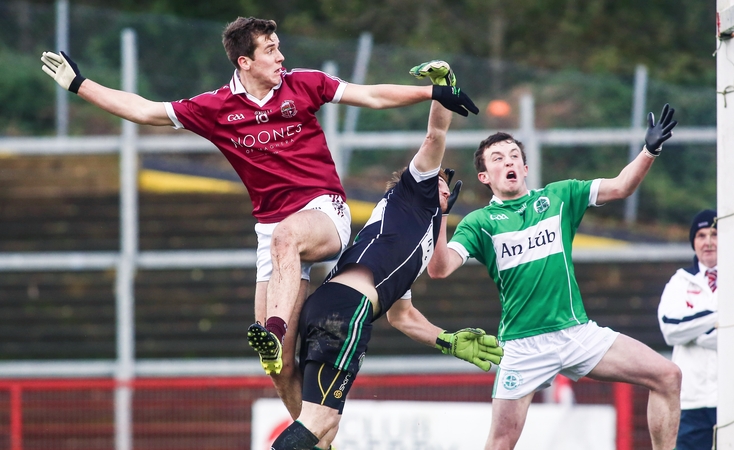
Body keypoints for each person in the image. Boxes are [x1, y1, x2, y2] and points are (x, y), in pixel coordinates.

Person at [40, 17, 478, 419]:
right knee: (279, 365)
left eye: (280, 47)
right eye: (271, 50)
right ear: (245, 61)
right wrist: (79, 84)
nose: (281, 57)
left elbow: (372, 95)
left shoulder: (304, 84)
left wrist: (432, 93)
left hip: (325, 211)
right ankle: (314, 438)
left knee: (285, 244)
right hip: (272, 232)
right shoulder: (214, 107)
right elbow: (142, 109)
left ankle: (273, 325)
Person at [268, 62, 502, 450]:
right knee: (318, 421)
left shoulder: (417, 232)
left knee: (324, 432)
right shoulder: (412, 193)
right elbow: (435, 136)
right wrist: (442, 89)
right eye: (442, 179)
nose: (444, 183)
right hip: (347, 311)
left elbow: (402, 316)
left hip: (332, 307)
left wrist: (447, 341)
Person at [427, 104, 683, 450]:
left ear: (526, 167)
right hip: (522, 346)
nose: (509, 162)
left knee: (668, 375)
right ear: (484, 176)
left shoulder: (559, 196)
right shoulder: (480, 222)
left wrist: (650, 150)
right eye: (498, 158)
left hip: (575, 332)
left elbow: (621, 187)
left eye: (515, 155)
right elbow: (439, 269)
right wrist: (439, 214)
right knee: (500, 442)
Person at [657, 209, 734, 450]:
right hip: (692, 400)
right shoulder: (679, 281)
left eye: (714, 234)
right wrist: (721, 316)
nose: (708, 242)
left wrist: (695, 335)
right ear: (693, 242)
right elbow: (670, 329)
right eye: (700, 235)